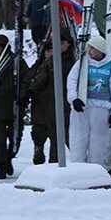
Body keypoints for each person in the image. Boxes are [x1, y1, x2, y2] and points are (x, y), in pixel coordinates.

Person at [65, 32, 111, 169]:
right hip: (82, 109)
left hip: (101, 110)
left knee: (98, 145)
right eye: (89, 48)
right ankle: (77, 173)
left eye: (93, 48)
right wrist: (74, 99)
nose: (90, 51)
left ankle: (94, 174)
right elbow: (72, 82)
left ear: (101, 49)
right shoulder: (81, 63)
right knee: (78, 141)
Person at [28, 31, 76, 165]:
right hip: (48, 107)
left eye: (62, 43)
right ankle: (48, 164)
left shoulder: (75, 62)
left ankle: (74, 164)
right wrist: (29, 92)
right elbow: (38, 80)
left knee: (65, 139)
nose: (59, 47)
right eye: (58, 44)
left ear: (68, 44)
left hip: (67, 107)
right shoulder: (50, 62)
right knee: (47, 137)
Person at [0, 34, 29, 179]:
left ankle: (8, 158)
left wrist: (22, 95)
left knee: (15, 138)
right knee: (0, 139)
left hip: (15, 107)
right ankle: (1, 165)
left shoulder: (16, 62)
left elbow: (26, 79)